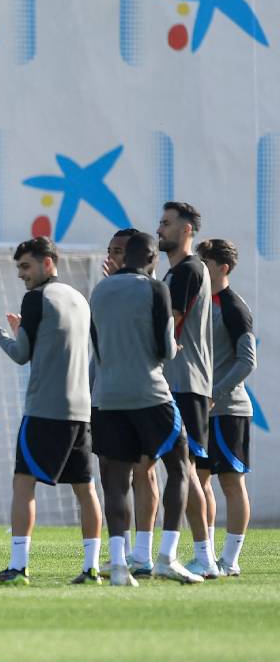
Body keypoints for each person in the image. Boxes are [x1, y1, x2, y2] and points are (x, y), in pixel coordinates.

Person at [0, 237, 103, 585]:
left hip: (45, 409)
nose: (21, 275)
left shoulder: (36, 299)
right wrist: (24, 331)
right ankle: (91, 568)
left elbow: (20, 355)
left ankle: (18, 567)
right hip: (81, 411)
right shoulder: (79, 298)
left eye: (26, 267)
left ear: (48, 263)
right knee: (85, 488)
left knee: (23, 483)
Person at [89, 231, 201, 586]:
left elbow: (98, 345)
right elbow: (165, 349)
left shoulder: (100, 289)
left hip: (107, 396)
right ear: (152, 257)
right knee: (180, 467)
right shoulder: (156, 289)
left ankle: (120, 565)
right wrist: (172, 351)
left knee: (117, 481)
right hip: (150, 394)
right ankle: (167, 556)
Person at [156, 201, 218, 578]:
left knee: (186, 470)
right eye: (160, 222)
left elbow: (170, 326)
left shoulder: (187, 271)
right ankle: (157, 552)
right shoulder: (177, 273)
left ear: (187, 230)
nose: (160, 228)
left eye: (166, 223)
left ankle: (204, 555)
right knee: (179, 469)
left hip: (184, 383)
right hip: (180, 383)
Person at [102, 228, 161, 576]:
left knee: (145, 471)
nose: (113, 256)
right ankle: (120, 553)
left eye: (120, 250)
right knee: (111, 471)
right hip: (108, 392)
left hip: (146, 393)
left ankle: (145, 552)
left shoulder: (152, 289)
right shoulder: (103, 292)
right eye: (110, 250)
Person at [195, 238, 256, 576]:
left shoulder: (234, 307)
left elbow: (248, 361)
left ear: (223, 268)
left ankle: (230, 561)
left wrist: (216, 391)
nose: (199, 269)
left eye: (204, 263)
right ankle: (204, 557)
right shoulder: (203, 303)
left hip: (228, 409)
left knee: (232, 484)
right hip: (202, 409)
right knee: (200, 481)